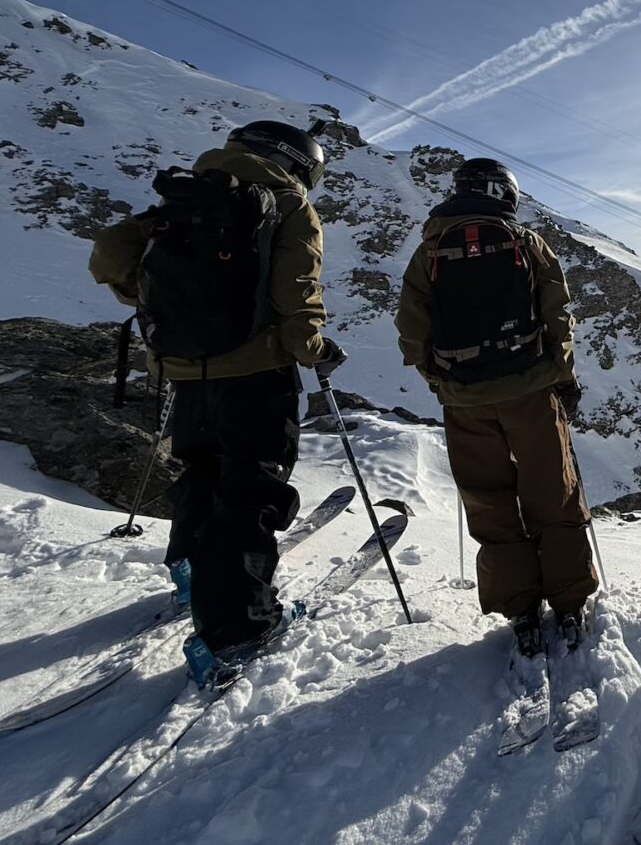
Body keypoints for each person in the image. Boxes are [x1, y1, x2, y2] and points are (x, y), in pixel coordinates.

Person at [89, 119, 343, 679]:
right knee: (249, 490)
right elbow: (296, 295)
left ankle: (190, 572)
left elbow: (108, 256)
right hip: (255, 372)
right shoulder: (288, 204)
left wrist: (151, 297)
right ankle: (237, 630)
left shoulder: (185, 195)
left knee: (201, 469)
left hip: (184, 370)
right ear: (298, 163)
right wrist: (316, 350)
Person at [395, 157, 596, 656]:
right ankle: (569, 602)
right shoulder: (527, 243)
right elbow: (558, 319)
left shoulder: (430, 251)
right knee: (554, 494)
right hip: (531, 391)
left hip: (466, 400)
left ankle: (520, 608)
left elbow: (412, 334)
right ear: (505, 194)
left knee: (489, 500)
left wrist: (444, 382)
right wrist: (562, 379)